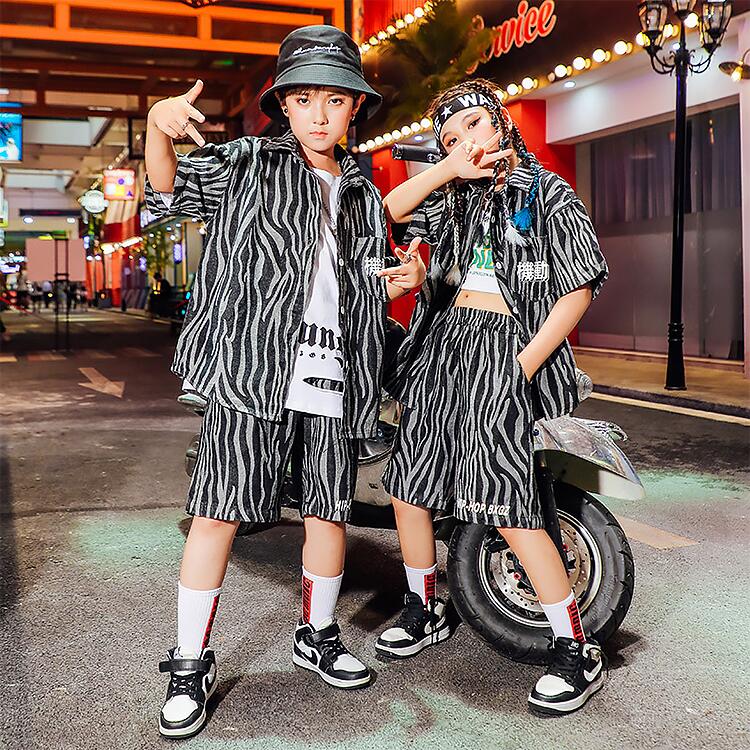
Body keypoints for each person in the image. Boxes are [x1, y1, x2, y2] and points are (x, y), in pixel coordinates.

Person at [145, 25, 426, 739]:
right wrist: (157, 127)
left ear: (355, 108)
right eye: (304, 99)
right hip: (253, 372)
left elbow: (355, 281)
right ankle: (189, 662)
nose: (320, 115)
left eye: (335, 100)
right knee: (218, 512)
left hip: (337, 374)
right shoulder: (247, 163)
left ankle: (317, 634)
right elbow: (166, 194)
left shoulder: (361, 189)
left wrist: (397, 283)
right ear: (284, 106)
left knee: (328, 512)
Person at [379, 78, 609, 716]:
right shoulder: (451, 196)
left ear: (502, 124)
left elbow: (577, 290)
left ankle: (576, 648)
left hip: (505, 352)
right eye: (451, 137)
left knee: (508, 501)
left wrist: (522, 366)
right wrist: (443, 182)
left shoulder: (549, 195)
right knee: (409, 487)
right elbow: (389, 209)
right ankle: (425, 606)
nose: (466, 142)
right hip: (442, 345)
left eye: (476, 125)